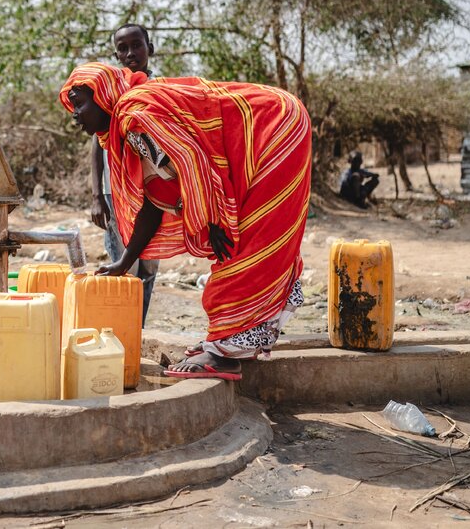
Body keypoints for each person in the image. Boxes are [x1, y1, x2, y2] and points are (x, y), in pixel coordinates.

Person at [61, 63, 311, 381]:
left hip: (273, 127)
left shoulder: (134, 116)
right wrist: (125, 261)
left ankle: (224, 353)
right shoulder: (131, 126)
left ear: (102, 97)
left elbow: (191, 159)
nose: (75, 114)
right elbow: (155, 201)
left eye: (79, 103)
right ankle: (232, 342)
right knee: (245, 244)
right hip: (270, 126)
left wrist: (214, 217)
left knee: (249, 246)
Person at [89, 24, 160, 325]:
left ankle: (137, 332)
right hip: (115, 193)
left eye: (137, 45)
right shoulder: (111, 93)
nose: (131, 53)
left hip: (155, 195)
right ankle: (119, 333)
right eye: (123, 48)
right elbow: (97, 144)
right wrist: (97, 196)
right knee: (122, 266)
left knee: (149, 267)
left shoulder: (161, 91)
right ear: (116, 54)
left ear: (149, 48)